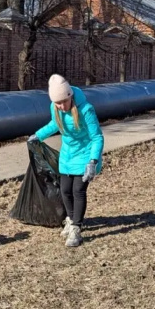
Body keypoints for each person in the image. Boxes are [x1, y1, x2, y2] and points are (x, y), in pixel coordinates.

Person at [28, 74, 104, 247]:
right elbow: (55, 124)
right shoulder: (55, 108)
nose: (61, 106)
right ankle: (70, 219)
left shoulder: (86, 110)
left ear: (70, 96)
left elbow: (97, 137)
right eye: (57, 103)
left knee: (78, 190)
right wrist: (38, 136)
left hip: (85, 155)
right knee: (65, 190)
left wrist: (93, 161)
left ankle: (76, 228)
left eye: (64, 102)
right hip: (68, 155)